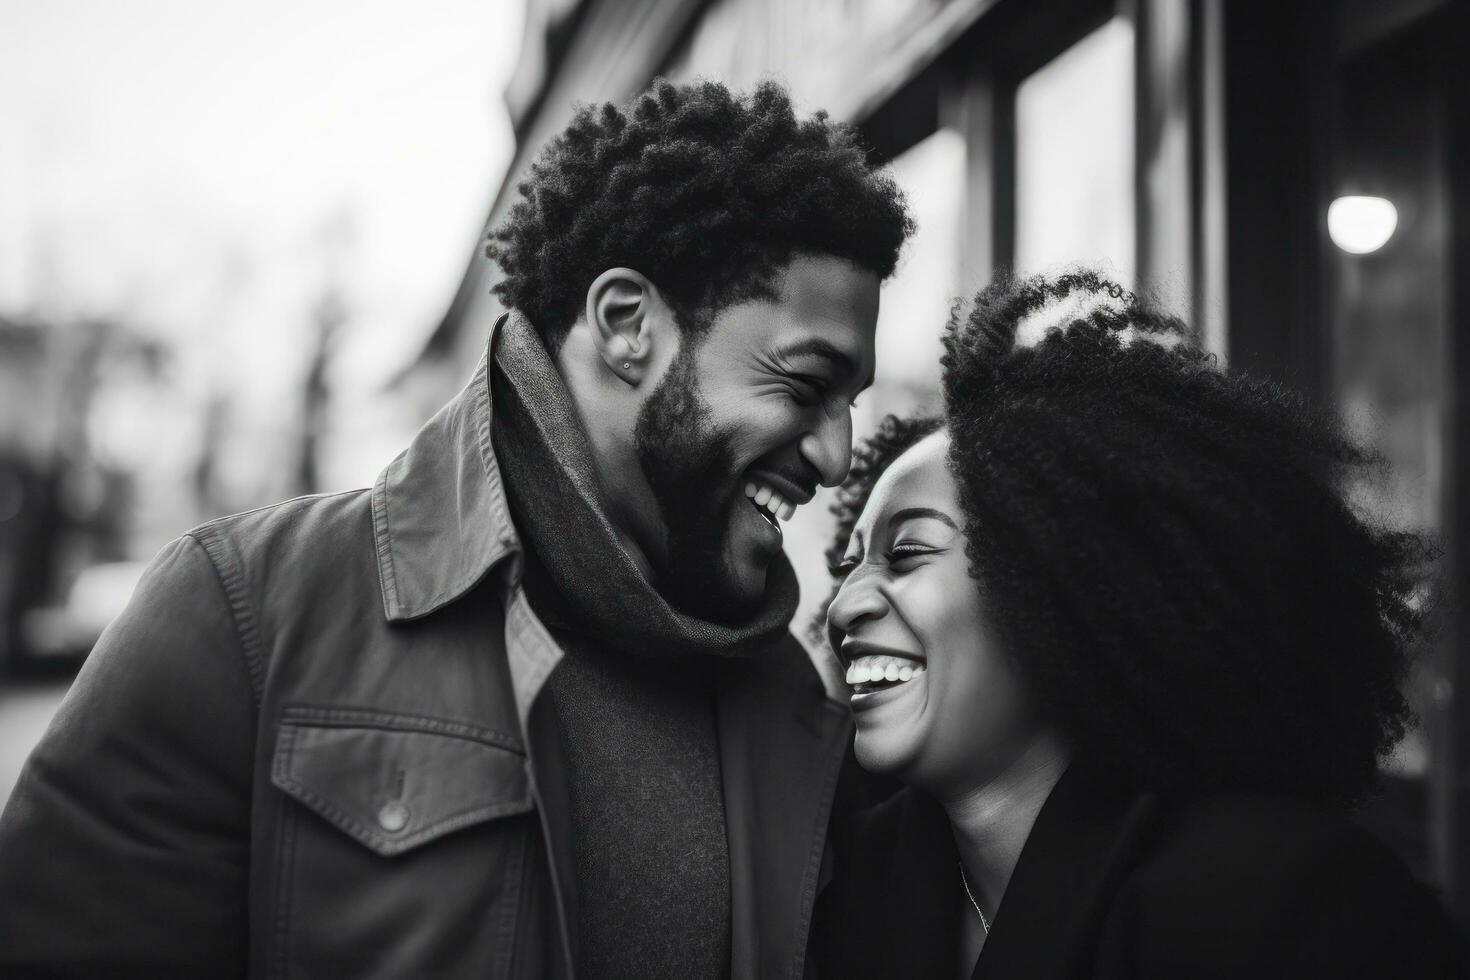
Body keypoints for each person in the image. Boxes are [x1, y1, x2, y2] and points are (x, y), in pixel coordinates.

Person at [0, 79, 912, 978]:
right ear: (629, 326)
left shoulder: (797, 707)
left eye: (852, 405)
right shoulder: (244, 613)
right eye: (802, 386)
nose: (836, 456)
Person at [810, 270, 1467, 979]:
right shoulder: (841, 898)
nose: (848, 604)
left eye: (909, 552)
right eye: (847, 568)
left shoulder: (1289, 906)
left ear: (1065, 587)